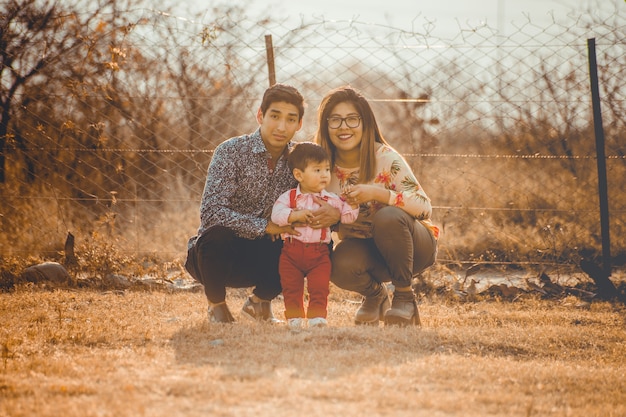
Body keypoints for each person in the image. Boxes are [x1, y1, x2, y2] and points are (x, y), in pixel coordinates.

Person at [185, 83, 340, 324]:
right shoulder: (231, 151)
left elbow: (320, 200)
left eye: (290, 119)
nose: (281, 126)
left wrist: (332, 212)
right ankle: (216, 306)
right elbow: (211, 213)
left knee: (316, 244)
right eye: (274, 116)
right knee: (216, 235)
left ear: (299, 124)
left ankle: (259, 302)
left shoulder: (300, 162)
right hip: (216, 257)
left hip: (267, 255)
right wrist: (265, 226)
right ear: (260, 115)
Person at [314, 86, 439, 326]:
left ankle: (404, 297)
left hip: (413, 247)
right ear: (325, 125)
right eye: (335, 120)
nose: (344, 127)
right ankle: (375, 296)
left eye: (352, 119)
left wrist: (378, 194)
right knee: (336, 265)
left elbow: (424, 207)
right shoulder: (320, 166)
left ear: (366, 123)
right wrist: (335, 221)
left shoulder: (385, 157)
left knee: (389, 217)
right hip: (367, 250)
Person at [271, 142, 359, 329]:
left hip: (319, 254)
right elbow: (276, 215)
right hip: (291, 252)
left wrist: (352, 203)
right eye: (317, 170)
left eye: (327, 169)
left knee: (319, 287)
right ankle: (294, 317)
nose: (324, 174)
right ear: (298, 175)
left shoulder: (332, 199)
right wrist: (293, 215)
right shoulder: (290, 197)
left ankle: (317, 317)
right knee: (291, 287)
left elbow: (349, 217)